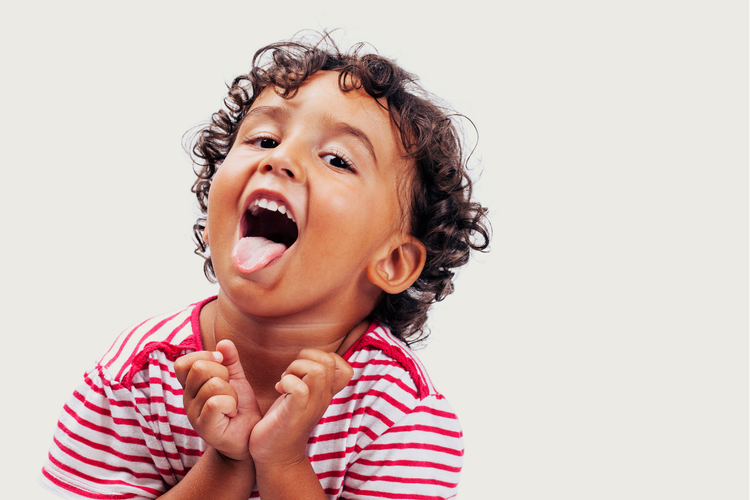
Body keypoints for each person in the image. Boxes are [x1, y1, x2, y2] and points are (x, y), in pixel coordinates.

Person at [40, 33, 490, 500]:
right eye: (264, 138)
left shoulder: (400, 411)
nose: (280, 158)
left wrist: (283, 460)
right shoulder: (136, 377)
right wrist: (226, 462)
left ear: (393, 261)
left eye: (337, 159)